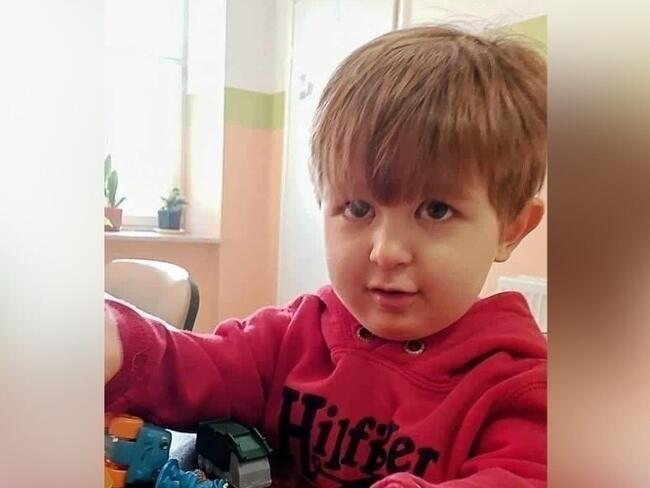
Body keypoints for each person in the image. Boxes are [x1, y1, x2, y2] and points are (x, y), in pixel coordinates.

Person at [105, 25, 547, 488]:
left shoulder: (523, 388)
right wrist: (117, 343)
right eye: (358, 208)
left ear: (512, 228)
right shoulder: (296, 336)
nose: (386, 251)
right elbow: (198, 366)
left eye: (435, 210)